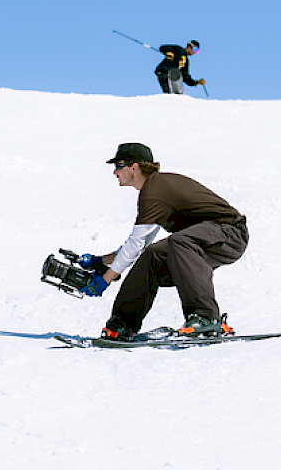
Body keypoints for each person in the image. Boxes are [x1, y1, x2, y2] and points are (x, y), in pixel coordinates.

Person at [75, 143, 248, 340]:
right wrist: (102, 261)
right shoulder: (155, 189)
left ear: (135, 167)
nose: (114, 172)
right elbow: (139, 244)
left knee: (178, 242)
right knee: (152, 255)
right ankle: (122, 323)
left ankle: (206, 318)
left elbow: (136, 244)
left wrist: (106, 279)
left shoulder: (155, 189)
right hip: (201, 242)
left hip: (230, 234)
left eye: (119, 165)